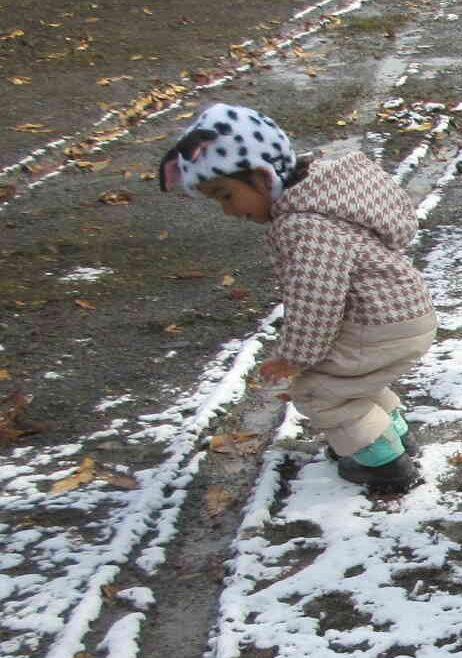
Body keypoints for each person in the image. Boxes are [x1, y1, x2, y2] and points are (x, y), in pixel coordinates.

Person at [159, 104, 436, 496]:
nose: (228, 211)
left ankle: (383, 464)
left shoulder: (302, 225)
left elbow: (316, 301)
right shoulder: (323, 194)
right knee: (349, 381)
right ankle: (395, 438)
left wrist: (295, 357)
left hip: (379, 322)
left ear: (262, 177)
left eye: (226, 195)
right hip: (403, 313)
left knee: (318, 390)